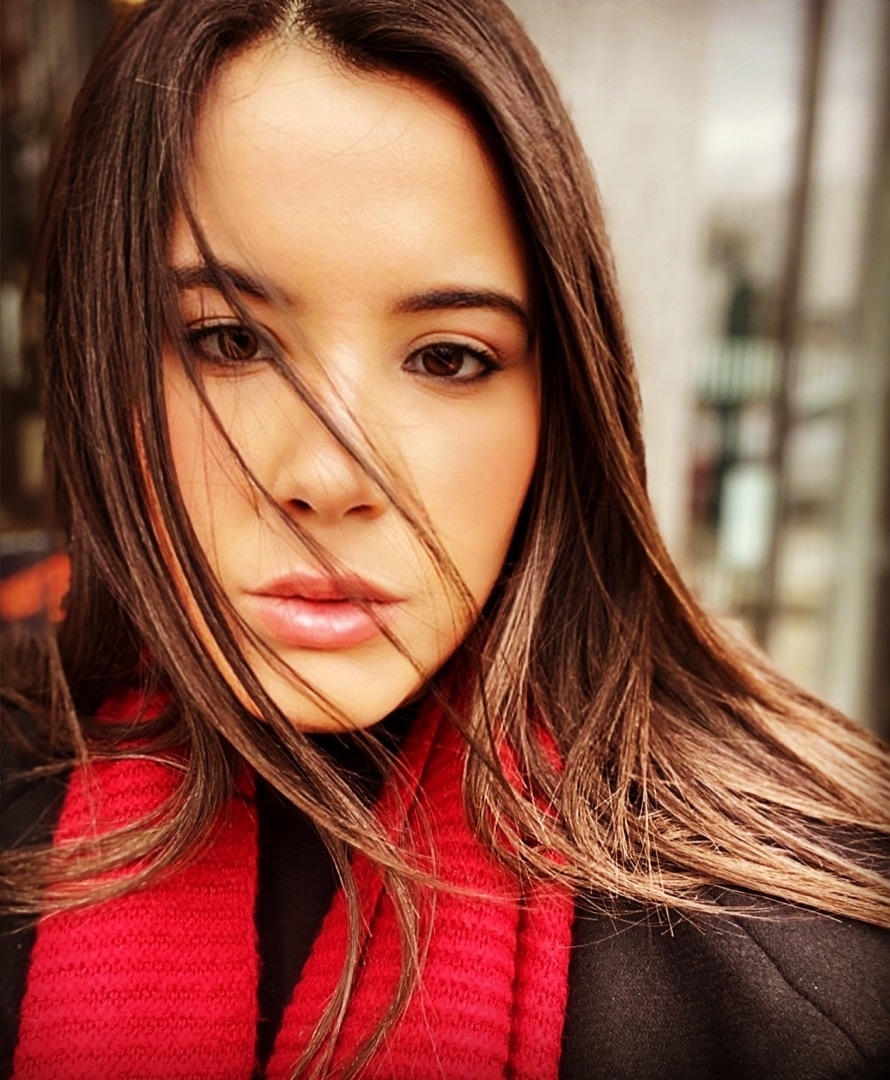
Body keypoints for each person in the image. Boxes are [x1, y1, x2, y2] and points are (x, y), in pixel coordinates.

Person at [1, 1, 888, 1077]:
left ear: (561, 402)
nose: (331, 478)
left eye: (448, 357)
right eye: (227, 341)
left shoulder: (792, 986)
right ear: (97, 363)